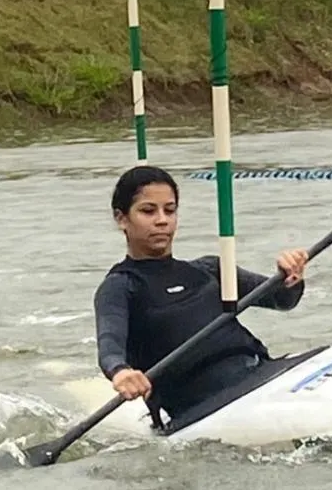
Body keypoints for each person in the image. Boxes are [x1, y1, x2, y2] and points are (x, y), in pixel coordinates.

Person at [93, 164, 309, 430]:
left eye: (170, 210)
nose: (162, 220)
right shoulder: (119, 287)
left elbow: (283, 300)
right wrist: (120, 372)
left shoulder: (209, 269)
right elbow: (109, 346)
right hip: (199, 409)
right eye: (148, 211)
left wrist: (291, 277)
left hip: (261, 374)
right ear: (121, 218)